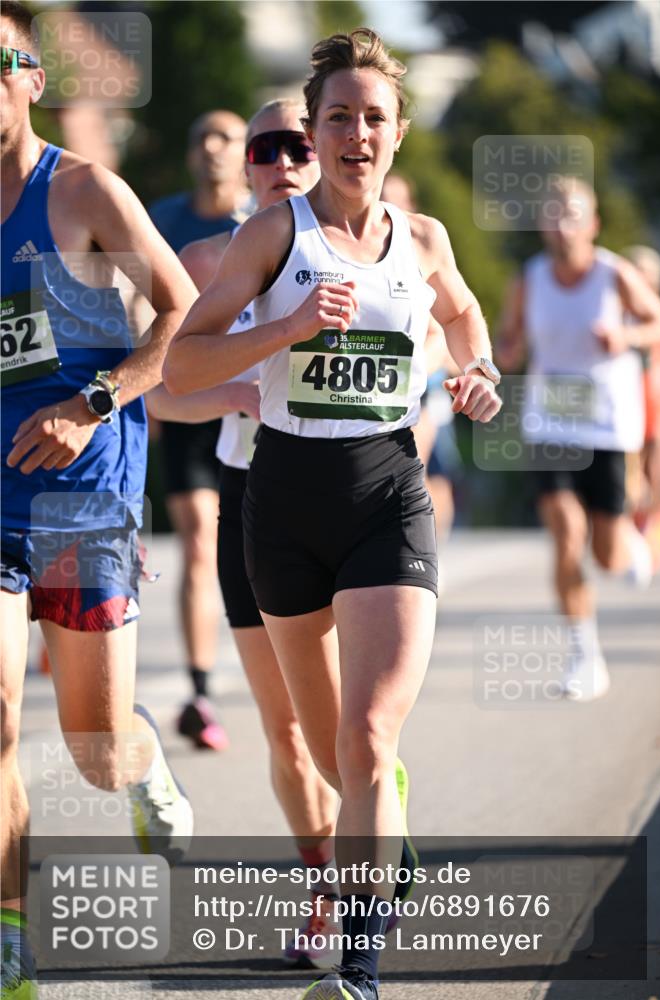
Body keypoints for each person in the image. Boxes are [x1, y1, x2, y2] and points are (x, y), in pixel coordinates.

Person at [164, 29, 501, 1000]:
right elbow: (182, 364)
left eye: (375, 118)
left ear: (397, 133)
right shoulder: (273, 237)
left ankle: (357, 968)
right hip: (280, 501)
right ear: (314, 133)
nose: (358, 133)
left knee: (362, 735)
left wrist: (475, 374)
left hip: (385, 494)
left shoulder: (423, 239)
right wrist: (290, 326)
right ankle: (376, 830)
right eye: (340, 117)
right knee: (325, 748)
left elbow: (465, 317)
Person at [0, 4, 196, 995]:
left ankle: (142, 760)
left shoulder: (80, 193)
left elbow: (179, 307)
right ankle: (9, 939)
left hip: (80, 496)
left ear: (32, 77)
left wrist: (93, 401)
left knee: (93, 748)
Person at [148, 98, 342, 969]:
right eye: (265, 148)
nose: (281, 160)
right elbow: (160, 391)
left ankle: (369, 845)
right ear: (246, 166)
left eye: (298, 144)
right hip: (254, 496)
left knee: (350, 725)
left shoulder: (380, 246)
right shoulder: (207, 260)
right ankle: (326, 885)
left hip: (353, 497)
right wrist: (232, 391)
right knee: (287, 729)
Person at [496, 177, 660, 702]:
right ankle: (584, 659)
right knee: (566, 534)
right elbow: (507, 345)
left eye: (573, 213)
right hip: (551, 423)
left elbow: (659, 322)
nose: (562, 222)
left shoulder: (614, 274)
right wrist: (497, 357)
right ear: (544, 226)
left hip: (608, 426)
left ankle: (632, 545)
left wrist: (626, 337)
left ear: (592, 224)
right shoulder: (529, 278)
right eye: (552, 213)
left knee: (608, 554)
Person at [148, 109, 248, 751]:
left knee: (251, 550)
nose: (211, 148)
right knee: (197, 547)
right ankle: (202, 690)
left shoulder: (266, 222)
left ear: (246, 154)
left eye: (226, 139)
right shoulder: (163, 221)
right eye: (200, 137)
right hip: (187, 402)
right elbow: (137, 305)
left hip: (255, 410)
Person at [382, 170, 462, 541]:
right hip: (378, 386)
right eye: (384, 198)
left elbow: (454, 325)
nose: (389, 207)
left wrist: (422, 368)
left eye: (397, 200)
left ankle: (430, 548)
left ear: (410, 207)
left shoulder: (424, 250)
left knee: (428, 471)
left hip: (424, 386)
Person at [622, 245, 660, 567]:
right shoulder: (618, 319)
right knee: (631, 480)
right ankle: (633, 534)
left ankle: (652, 529)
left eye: (647, 278)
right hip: (626, 411)